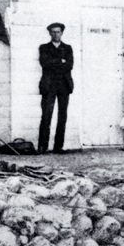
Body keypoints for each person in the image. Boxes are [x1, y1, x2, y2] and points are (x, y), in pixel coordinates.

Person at [38, 22, 74, 154]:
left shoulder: (68, 48)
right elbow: (44, 63)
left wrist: (55, 62)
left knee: (62, 116)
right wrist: (60, 61)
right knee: (46, 115)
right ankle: (42, 146)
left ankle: (58, 146)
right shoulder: (44, 48)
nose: (56, 34)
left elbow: (69, 65)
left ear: (62, 33)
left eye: (58, 32)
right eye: (53, 32)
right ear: (49, 33)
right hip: (49, 85)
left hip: (64, 85)